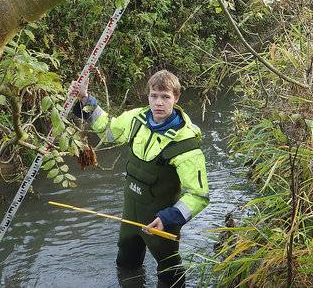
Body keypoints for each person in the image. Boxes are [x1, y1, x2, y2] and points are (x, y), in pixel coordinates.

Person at [72, 70, 210, 287]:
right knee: (126, 263)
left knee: (169, 272)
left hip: (160, 221)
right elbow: (108, 131)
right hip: (130, 212)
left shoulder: (186, 143)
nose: (159, 103)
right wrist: (85, 100)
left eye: (165, 97)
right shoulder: (136, 119)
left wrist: (170, 217)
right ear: (148, 96)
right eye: (154, 96)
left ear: (176, 98)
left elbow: (198, 195)